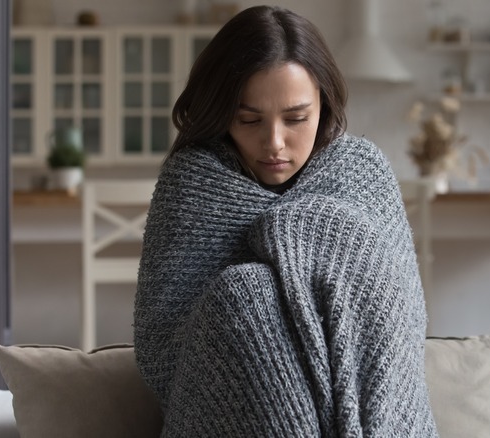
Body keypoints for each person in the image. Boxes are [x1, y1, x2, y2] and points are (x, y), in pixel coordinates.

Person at [134, 5, 438, 437]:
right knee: (246, 295)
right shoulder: (190, 184)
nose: (273, 143)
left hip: (359, 406)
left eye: (296, 119)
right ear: (221, 113)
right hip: (232, 409)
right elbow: (161, 347)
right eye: (249, 119)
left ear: (324, 106)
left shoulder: (361, 173)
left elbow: (400, 321)